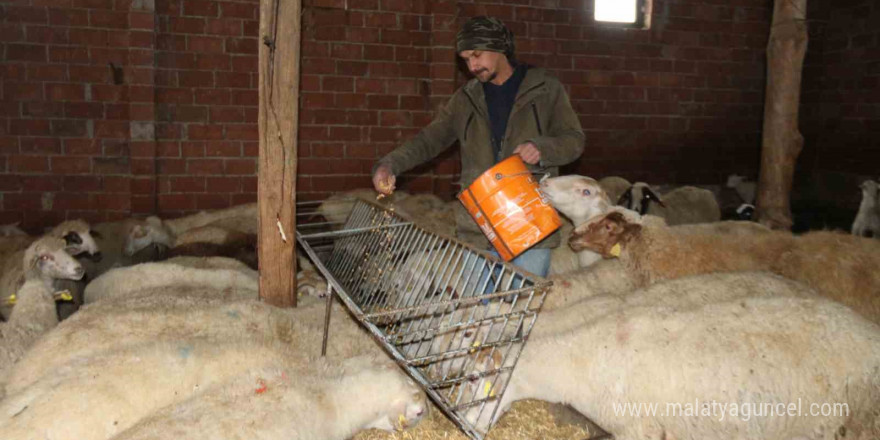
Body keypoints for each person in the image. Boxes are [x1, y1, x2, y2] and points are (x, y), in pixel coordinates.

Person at [371, 16, 584, 278]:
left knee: (522, 309)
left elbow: (574, 139)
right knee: (478, 312)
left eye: (477, 55)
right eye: (466, 59)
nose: (472, 65)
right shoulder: (466, 98)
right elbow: (430, 139)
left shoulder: (545, 88)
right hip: (479, 226)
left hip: (530, 222)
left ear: (499, 48)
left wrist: (542, 147)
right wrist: (390, 164)